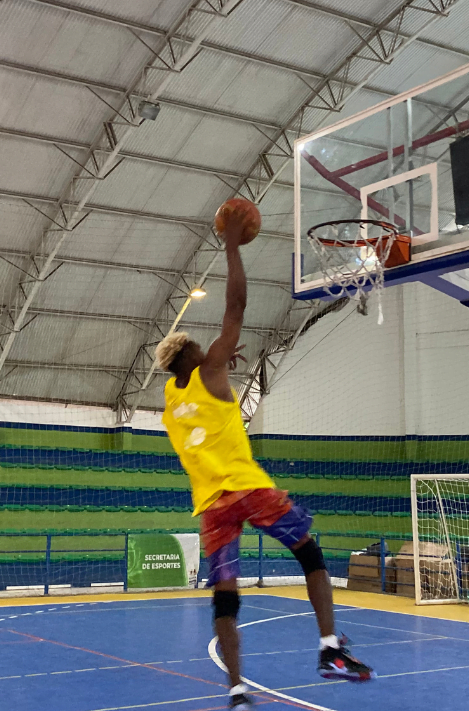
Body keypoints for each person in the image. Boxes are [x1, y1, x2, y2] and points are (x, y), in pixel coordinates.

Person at [156, 204, 374, 711]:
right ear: (193, 353)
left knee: (225, 599)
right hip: (248, 488)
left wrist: (219, 366)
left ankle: (235, 691)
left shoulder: (171, 404)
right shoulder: (210, 369)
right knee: (310, 556)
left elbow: (201, 387)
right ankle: (330, 651)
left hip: (212, 505)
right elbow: (236, 307)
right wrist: (231, 244)